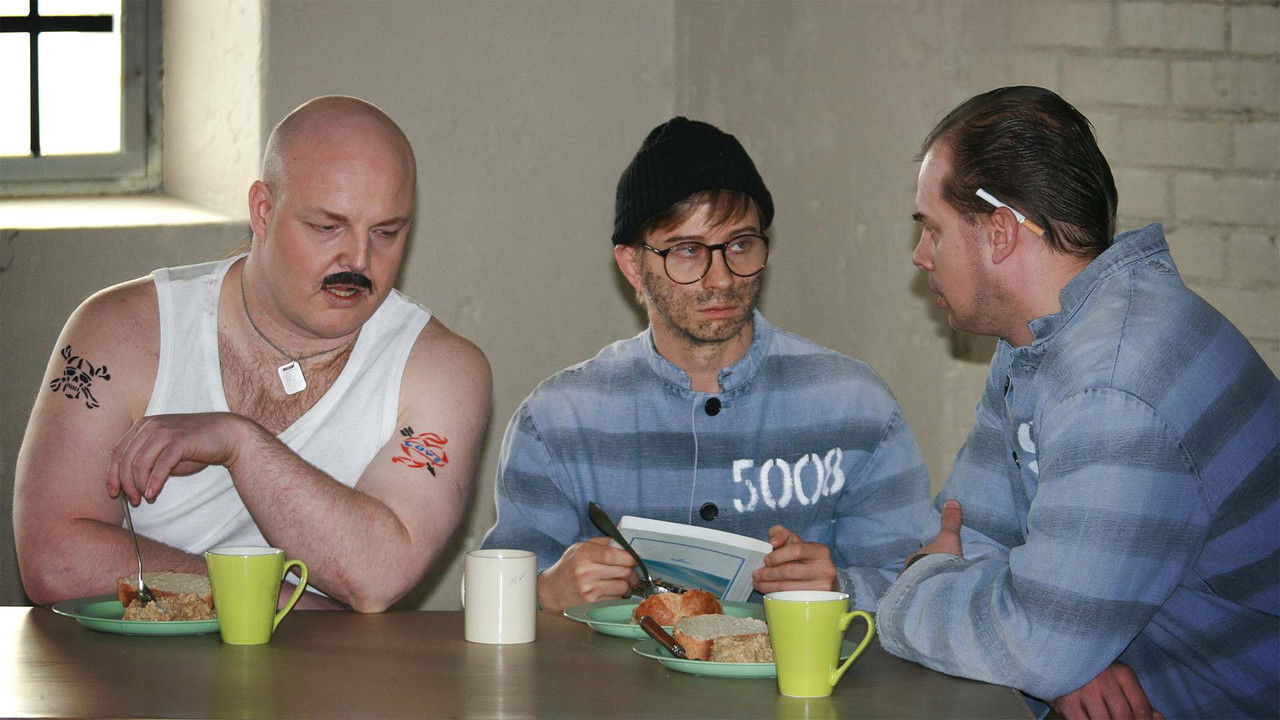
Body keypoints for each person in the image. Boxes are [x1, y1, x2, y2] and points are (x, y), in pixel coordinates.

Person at [877, 86, 1278, 719]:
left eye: (933, 228)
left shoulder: (1115, 384)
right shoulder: (1039, 341)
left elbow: (1030, 640)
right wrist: (1050, 648)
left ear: (999, 232)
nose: (921, 256)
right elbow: (968, 532)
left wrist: (920, 589)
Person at [14, 96, 492, 612]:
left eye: (386, 233)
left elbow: (379, 575)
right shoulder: (118, 331)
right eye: (327, 227)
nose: (358, 259)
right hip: (142, 661)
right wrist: (281, 605)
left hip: (324, 668)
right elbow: (54, 560)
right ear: (263, 211)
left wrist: (240, 444)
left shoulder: (444, 370)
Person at [481, 117, 931, 613]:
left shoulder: (855, 406)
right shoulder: (558, 419)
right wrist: (544, 592)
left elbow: (918, 589)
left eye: (740, 245)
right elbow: (489, 598)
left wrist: (842, 588)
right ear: (633, 265)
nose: (721, 279)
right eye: (688, 251)